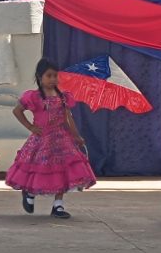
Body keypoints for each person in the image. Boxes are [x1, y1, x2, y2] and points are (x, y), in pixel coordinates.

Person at [5, 58, 96, 219]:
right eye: (49, 76)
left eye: (55, 76)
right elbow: (17, 111)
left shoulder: (63, 97)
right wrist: (31, 127)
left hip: (61, 139)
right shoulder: (33, 97)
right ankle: (30, 194)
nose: (53, 79)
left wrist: (76, 136)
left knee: (62, 171)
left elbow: (69, 118)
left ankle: (58, 206)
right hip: (42, 139)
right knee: (38, 168)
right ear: (40, 77)